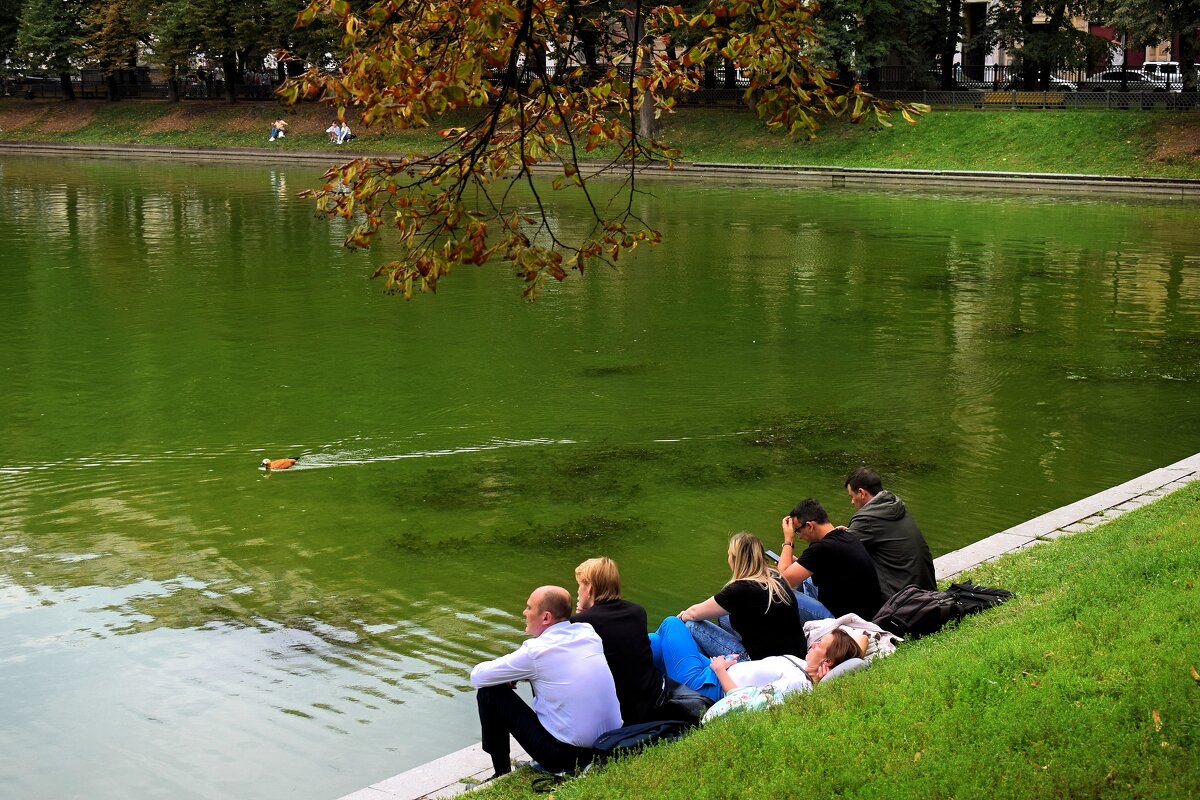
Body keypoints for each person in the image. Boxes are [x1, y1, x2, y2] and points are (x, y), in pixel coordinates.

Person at [470, 585, 622, 779]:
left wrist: (508, 676)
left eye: (529, 607)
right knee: (541, 679)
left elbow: (478, 676)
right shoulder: (588, 633)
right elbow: (556, 668)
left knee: (489, 693)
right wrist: (518, 674)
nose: (524, 612)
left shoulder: (536, 651)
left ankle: (501, 772)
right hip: (609, 744)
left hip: (565, 757)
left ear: (546, 617)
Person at [650, 615, 862, 702]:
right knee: (656, 644)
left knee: (671, 623)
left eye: (820, 645)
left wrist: (720, 670)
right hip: (718, 669)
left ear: (827, 663)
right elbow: (860, 640)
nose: (813, 644)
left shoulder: (798, 684)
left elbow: (748, 702)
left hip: (706, 685)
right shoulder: (802, 665)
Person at [677, 532, 806, 661]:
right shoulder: (775, 577)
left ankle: (703, 671)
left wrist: (682, 617)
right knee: (722, 616)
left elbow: (694, 613)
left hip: (761, 662)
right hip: (796, 655)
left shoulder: (740, 589)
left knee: (692, 625)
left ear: (735, 559)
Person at [572, 557, 663, 725]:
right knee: (652, 640)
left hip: (621, 712)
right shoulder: (637, 611)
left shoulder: (582, 623)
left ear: (590, 588)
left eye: (580, 585)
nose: (577, 591)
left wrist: (580, 615)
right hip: (650, 703)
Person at [778, 498, 884, 620]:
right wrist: (797, 563)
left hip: (845, 621)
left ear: (809, 526)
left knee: (779, 593)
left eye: (797, 531)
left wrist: (788, 541)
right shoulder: (847, 535)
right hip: (865, 613)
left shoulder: (822, 548)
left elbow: (782, 581)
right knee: (805, 578)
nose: (799, 537)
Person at [844, 468, 937, 598]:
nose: (852, 502)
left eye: (852, 496)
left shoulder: (866, 519)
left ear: (861, 493)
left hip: (900, 601)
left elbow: (839, 553)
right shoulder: (895, 504)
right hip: (927, 592)